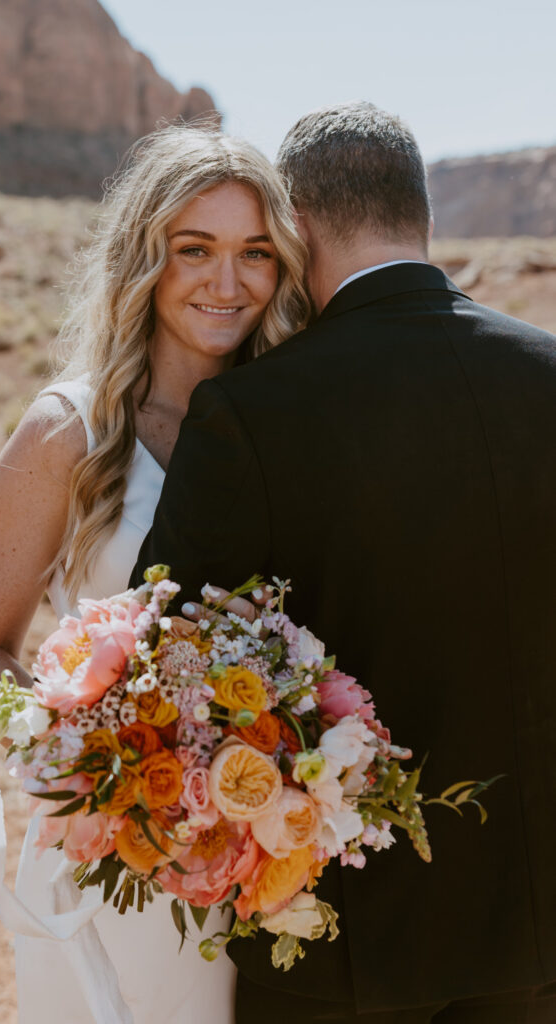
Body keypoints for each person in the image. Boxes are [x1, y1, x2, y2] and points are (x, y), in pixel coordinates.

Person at [132, 102, 556, 1023]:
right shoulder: (547, 375)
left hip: (336, 932)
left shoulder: (250, 413)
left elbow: (164, 654)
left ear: (297, 227)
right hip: (536, 923)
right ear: (422, 217)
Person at [0, 122, 309, 1024]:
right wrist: (89, 774)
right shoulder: (67, 432)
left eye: (255, 254)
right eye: (194, 249)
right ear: (144, 257)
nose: (226, 284)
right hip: (109, 855)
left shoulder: (294, 422)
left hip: (263, 856)